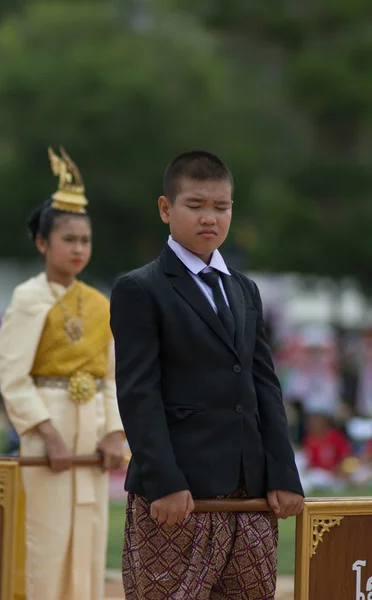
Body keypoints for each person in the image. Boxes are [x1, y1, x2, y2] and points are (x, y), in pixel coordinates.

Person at [110, 150, 304, 600]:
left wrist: (284, 473)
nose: (209, 218)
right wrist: (165, 482)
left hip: (250, 495)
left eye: (221, 207)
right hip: (178, 497)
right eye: (195, 205)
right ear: (166, 209)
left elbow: (264, 387)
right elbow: (138, 392)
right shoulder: (140, 288)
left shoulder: (244, 288)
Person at [0, 147, 125, 600]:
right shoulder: (29, 298)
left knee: (89, 538)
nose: (78, 249)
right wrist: (46, 432)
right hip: (47, 425)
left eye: (84, 241)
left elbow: (111, 377)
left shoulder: (99, 303)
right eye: (68, 239)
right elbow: (12, 375)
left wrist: (115, 432)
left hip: (91, 428)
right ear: (42, 243)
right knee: (46, 538)